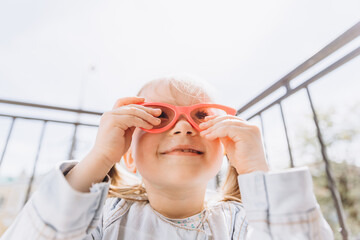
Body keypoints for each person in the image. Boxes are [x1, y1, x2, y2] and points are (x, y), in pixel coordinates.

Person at [1, 75, 334, 239]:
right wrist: (100, 157)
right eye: (159, 117)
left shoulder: (243, 222)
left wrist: (255, 170)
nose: (183, 129)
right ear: (127, 157)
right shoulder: (103, 218)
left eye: (203, 117)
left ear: (223, 150)